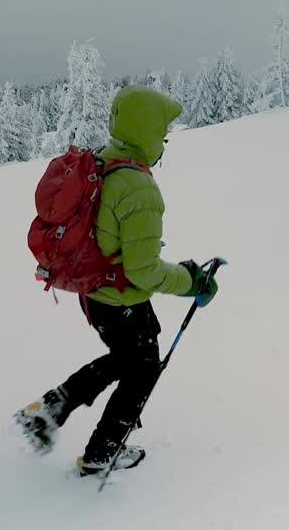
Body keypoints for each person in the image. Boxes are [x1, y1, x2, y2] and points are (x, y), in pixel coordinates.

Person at [15, 85, 219, 477]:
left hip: (95, 294)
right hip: (120, 297)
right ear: (146, 133)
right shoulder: (140, 188)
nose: (163, 143)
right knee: (142, 370)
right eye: (162, 135)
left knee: (125, 361)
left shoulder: (104, 162)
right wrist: (191, 282)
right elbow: (144, 270)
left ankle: (47, 411)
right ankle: (101, 453)